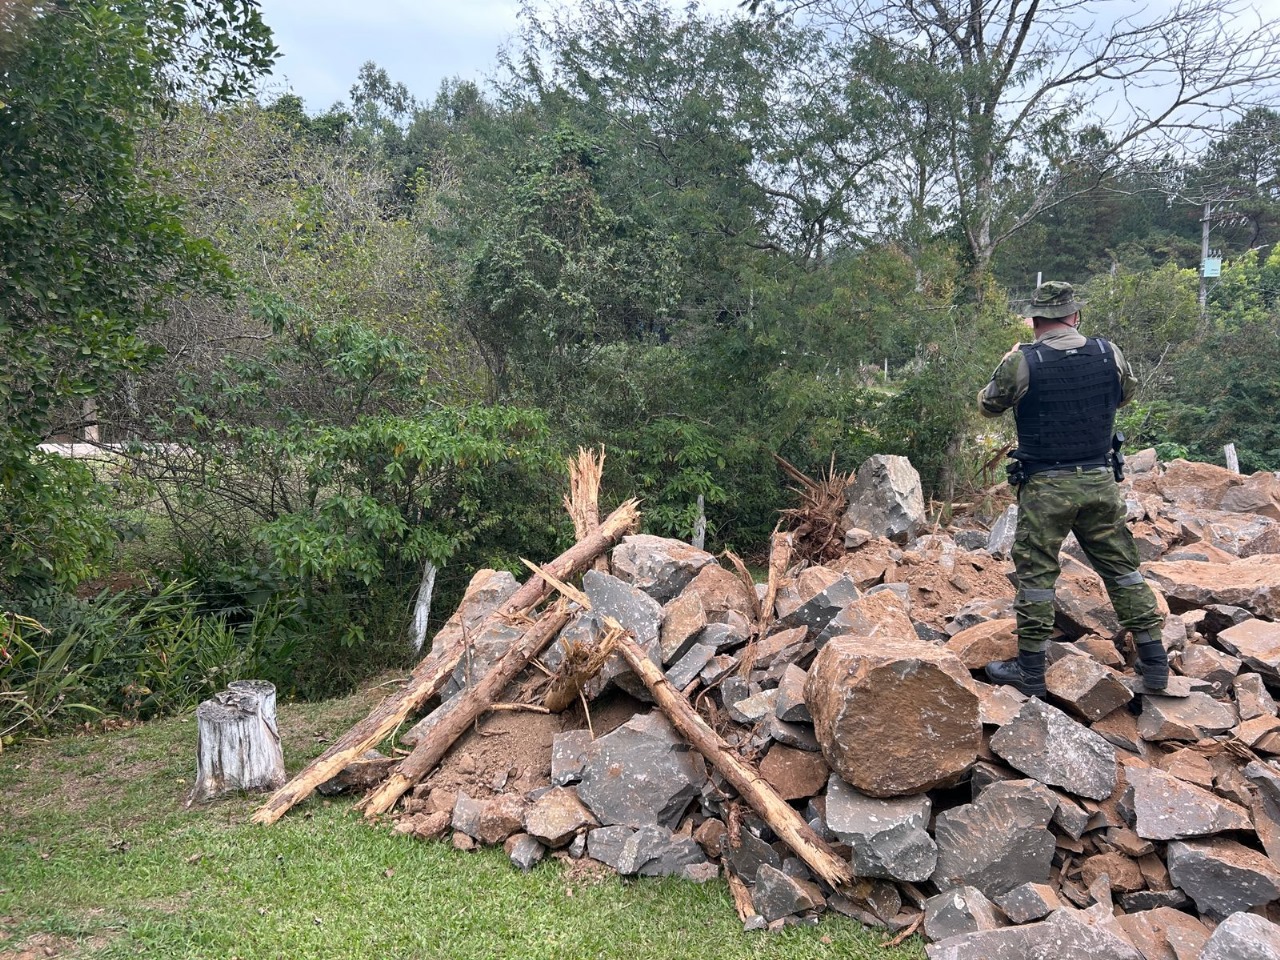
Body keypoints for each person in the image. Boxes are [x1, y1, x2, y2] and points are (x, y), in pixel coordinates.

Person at [977, 280, 1168, 697]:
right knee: (1122, 569)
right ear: (1075, 315)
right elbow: (1124, 395)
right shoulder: (1108, 352)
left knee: (1037, 575)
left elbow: (988, 405)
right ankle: (1155, 662)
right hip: (1100, 480)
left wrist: (1007, 360)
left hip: (1046, 486)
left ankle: (1030, 671)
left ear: (1034, 320)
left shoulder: (1023, 361)